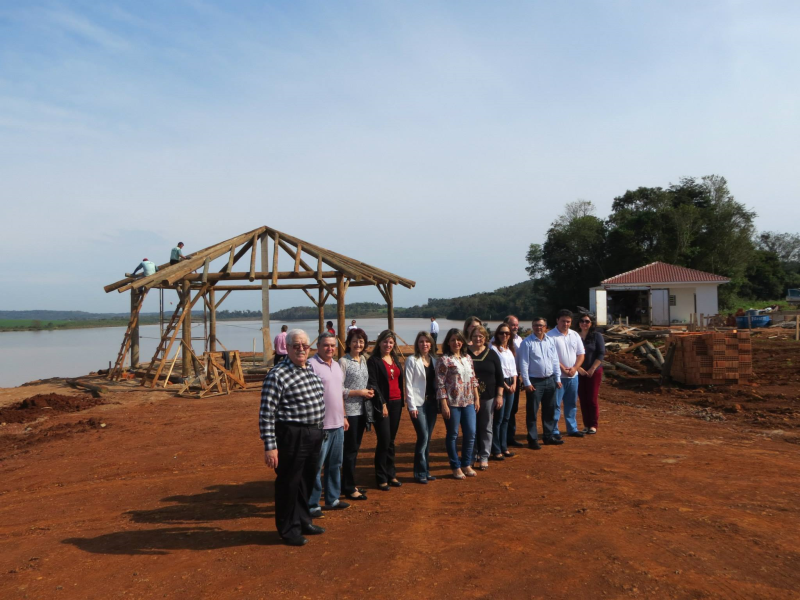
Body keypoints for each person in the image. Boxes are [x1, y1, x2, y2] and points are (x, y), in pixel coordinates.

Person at [259, 329, 326, 546]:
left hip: (314, 434)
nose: (301, 349)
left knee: (306, 481)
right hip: (292, 435)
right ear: (286, 348)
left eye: (304, 345)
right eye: (296, 345)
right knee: (289, 483)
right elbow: (266, 412)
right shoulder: (277, 375)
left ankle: (304, 520)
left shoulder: (310, 371)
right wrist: (270, 446)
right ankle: (288, 529)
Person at [307, 333, 350, 517]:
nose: (330, 348)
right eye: (326, 345)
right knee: (316, 466)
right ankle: (312, 503)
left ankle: (332, 499)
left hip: (338, 424)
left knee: (335, 464)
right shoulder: (311, 365)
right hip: (320, 426)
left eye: (332, 345)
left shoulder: (337, 366)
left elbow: (339, 393)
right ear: (317, 346)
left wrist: (345, 416)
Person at [436, 328, 480, 480]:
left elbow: (473, 379)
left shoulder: (468, 358)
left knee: (471, 433)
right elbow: (440, 384)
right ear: (448, 342)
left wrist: (477, 398)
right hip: (452, 403)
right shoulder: (444, 360)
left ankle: (466, 463)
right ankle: (455, 466)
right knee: (453, 435)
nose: (456, 342)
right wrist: (444, 404)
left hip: (468, 401)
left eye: (459, 339)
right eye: (453, 340)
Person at [338, 328, 374, 501]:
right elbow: (339, 390)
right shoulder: (343, 362)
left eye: (361, 341)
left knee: (354, 449)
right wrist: (359, 392)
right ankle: (349, 487)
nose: (358, 344)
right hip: (349, 412)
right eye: (354, 341)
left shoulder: (364, 360)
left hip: (362, 411)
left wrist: (368, 393)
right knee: (349, 451)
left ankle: (348, 483)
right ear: (348, 343)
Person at [367, 330, 404, 491]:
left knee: (391, 441)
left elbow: (398, 379)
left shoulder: (394, 358)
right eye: (385, 342)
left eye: (390, 342)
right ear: (379, 342)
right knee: (384, 440)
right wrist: (382, 404)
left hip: (396, 403)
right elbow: (373, 384)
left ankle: (391, 474)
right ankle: (381, 477)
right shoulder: (374, 361)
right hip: (382, 404)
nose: (388, 345)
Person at [518, 317, 562, 449]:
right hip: (535, 381)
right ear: (532, 326)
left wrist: (558, 378)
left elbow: (555, 360)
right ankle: (532, 439)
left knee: (549, 410)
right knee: (532, 411)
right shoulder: (527, 343)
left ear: (545, 327)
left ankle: (548, 437)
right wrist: (526, 382)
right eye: (536, 325)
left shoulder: (550, 341)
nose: (538, 328)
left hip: (550, 380)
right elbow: (524, 363)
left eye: (541, 325)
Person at [468, 325, 504, 470]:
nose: (478, 339)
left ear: (485, 338)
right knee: (471, 428)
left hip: (488, 396)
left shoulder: (492, 354)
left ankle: (484, 455)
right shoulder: (465, 353)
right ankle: (471, 454)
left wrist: (499, 395)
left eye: (481, 336)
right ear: (471, 338)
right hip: (468, 397)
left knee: (486, 426)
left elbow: (499, 376)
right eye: (475, 336)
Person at [404, 331, 438, 484]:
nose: (424, 344)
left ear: (431, 344)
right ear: (417, 344)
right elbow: (408, 385)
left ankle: (426, 470)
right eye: (421, 341)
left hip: (432, 403)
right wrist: (411, 406)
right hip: (418, 404)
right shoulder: (412, 360)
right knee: (423, 436)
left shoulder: (435, 361)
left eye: (427, 341)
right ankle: (419, 472)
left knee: (428, 438)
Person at [546, 309, 586, 439]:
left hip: (573, 377)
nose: (566, 324)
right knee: (555, 405)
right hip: (557, 377)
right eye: (563, 321)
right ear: (557, 320)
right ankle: (554, 430)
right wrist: (563, 369)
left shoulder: (575, 335)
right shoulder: (550, 336)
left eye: (568, 321)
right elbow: (551, 356)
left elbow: (581, 354)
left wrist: (575, 368)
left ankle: (572, 428)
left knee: (571, 404)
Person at [490, 322, 518, 460]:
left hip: (511, 384)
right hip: (501, 385)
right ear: (497, 334)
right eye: (502, 333)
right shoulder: (494, 349)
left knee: (507, 418)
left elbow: (514, 370)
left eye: (507, 333)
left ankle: (504, 446)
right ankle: (496, 449)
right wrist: (506, 386)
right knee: (499, 419)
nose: (505, 335)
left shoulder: (510, 349)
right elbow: (497, 371)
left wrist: (514, 384)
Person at [576, 314, 604, 435]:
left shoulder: (596, 336)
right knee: (583, 399)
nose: (584, 323)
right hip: (579, 371)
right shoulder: (575, 336)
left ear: (591, 323)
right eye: (582, 321)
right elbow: (571, 354)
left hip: (594, 371)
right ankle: (586, 424)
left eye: (587, 321)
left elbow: (601, 354)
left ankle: (593, 424)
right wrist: (579, 368)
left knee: (592, 399)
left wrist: (593, 368)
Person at [503, 315, 525, 448]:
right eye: (512, 324)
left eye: (516, 324)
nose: (515, 327)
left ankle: (510, 437)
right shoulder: (496, 341)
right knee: (502, 411)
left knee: (513, 409)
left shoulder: (519, 339)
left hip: (515, 377)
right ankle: (501, 438)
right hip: (503, 378)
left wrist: (520, 377)